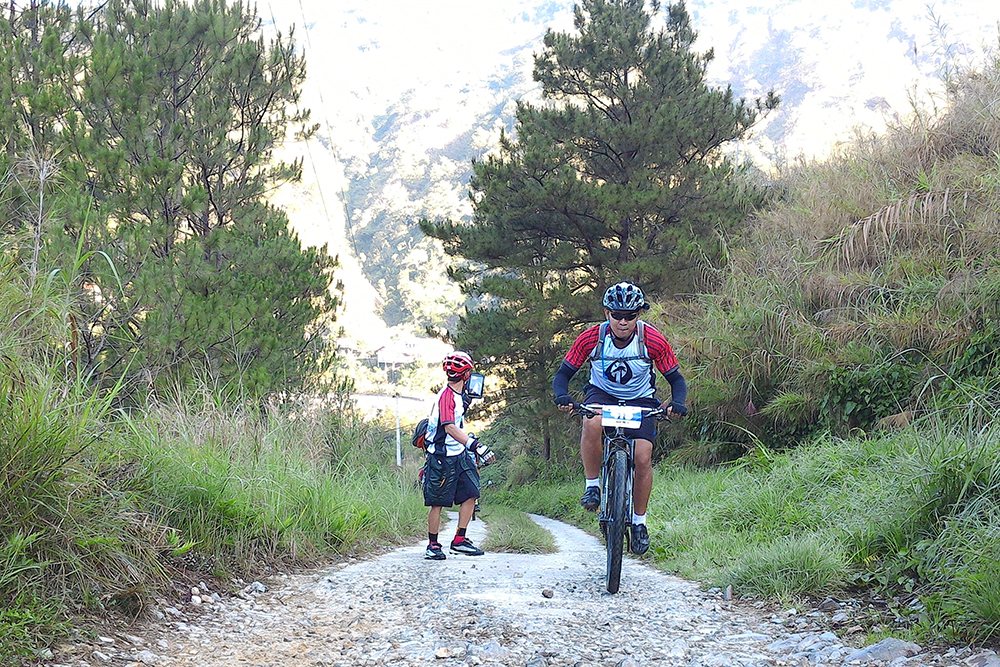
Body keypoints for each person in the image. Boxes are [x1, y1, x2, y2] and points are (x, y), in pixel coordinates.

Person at [552, 281, 687, 556]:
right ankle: (593, 487)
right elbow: (562, 374)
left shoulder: (652, 339)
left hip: (640, 400)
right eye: (617, 315)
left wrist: (678, 403)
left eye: (630, 316)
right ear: (606, 313)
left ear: (639, 315)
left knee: (643, 457)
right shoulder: (591, 338)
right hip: (602, 396)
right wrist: (562, 396)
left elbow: (676, 379)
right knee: (591, 421)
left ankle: (639, 523)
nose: (623, 322)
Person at [423, 351, 496, 560]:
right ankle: (433, 545)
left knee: (472, 492)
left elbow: (458, 415)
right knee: (437, 502)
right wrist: (476, 446)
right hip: (441, 456)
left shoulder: (458, 396)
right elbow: (449, 427)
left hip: (459, 454)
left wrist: (468, 401)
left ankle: (459, 539)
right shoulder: (446, 397)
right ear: (465, 374)